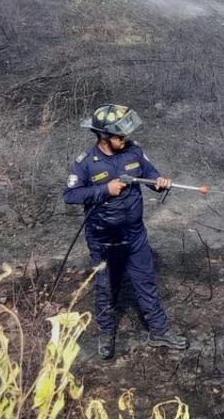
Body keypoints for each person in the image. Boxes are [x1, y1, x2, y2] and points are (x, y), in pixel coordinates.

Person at [63, 104, 188, 359]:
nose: (125, 139)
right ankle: (107, 335)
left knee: (146, 283)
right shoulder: (86, 163)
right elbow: (70, 195)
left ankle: (159, 331)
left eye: (126, 135)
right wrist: (104, 190)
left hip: (134, 236)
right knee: (106, 289)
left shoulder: (134, 152)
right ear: (103, 136)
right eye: (120, 136)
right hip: (104, 241)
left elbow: (152, 176)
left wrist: (160, 183)